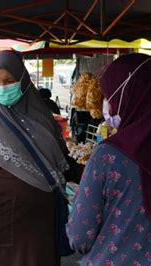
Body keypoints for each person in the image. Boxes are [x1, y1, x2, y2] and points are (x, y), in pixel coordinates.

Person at [0, 51, 83, 266]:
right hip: (0, 226)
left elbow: (63, 164)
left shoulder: (44, 120)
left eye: (9, 81)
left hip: (40, 229)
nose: (2, 87)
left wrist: (99, 173)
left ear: (23, 81)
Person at [66, 53, 151, 265]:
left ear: (127, 95)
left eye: (109, 96)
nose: (106, 103)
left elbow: (80, 236)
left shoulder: (109, 156)